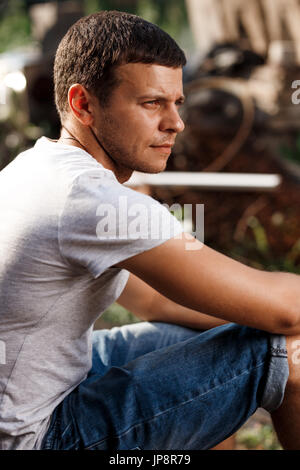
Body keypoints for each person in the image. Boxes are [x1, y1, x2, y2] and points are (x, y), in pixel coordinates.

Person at [0, 10, 300, 451]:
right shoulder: (91, 200)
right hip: (33, 435)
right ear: (83, 104)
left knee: (206, 337)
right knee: (293, 354)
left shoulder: (33, 166)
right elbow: (288, 313)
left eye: (176, 103)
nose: (176, 123)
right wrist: (272, 320)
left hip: (28, 393)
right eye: (151, 103)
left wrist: (252, 321)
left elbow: (155, 299)